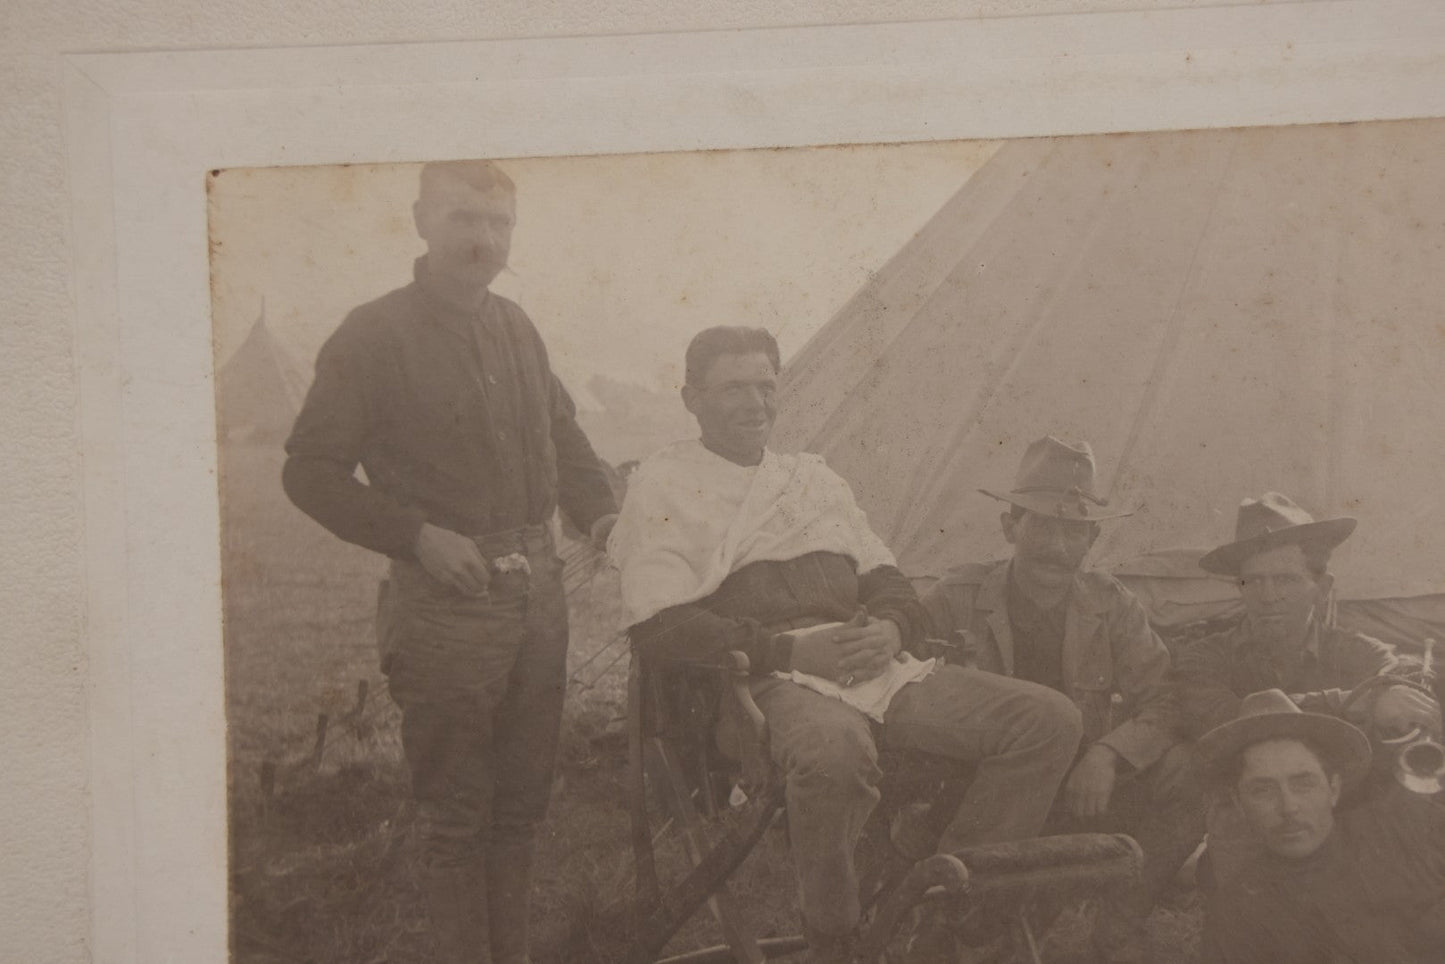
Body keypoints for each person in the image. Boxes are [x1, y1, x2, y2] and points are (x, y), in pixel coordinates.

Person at [607, 326, 1083, 963]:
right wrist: (790, 654)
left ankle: (938, 921)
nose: (755, 403)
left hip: (870, 666)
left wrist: (889, 629)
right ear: (691, 399)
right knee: (834, 754)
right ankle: (834, 944)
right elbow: (657, 628)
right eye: (732, 389)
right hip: (758, 682)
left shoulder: (812, 480)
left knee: (1047, 719)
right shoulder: (665, 484)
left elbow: (890, 583)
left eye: (766, 386)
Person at [283, 159, 618, 964]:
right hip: (445, 597)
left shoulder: (517, 326)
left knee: (521, 805)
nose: (483, 239)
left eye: (499, 224)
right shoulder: (373, 332)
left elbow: (563, 432)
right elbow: (309, 470)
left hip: (537, 594)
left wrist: (601, 511)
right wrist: (417, 537)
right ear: (422, 221)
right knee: (458, 813)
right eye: (465, 219)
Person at [920, 436, 1197, 963]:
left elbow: (1166, 700)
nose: (1057, 547)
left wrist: (1108, 754)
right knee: (971, 936)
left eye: (1074, 531)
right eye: (1042, 525)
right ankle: (957, 923)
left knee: (1185, 767)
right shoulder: (957, 597)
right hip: (980, 794)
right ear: (1010, 527)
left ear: (1092, 538)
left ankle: (1118, 924)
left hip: (1076, 792)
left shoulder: (1111, 605)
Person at [1173, 492, 1439, 884]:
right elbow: (1225, 719)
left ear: (1322, 587)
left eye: (1286, 579)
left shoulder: (1357, 650)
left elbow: (1395, 678)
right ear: (1239, 588)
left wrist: (1399, 696)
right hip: (1245, 819)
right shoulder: (1204, 656)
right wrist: (1359, 703)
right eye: (1254, 581)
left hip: (1343, 815)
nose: (1269, 596)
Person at [1195, 688, 1445, 963]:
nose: (1289, 807)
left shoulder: (1397, 836)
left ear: (1334, 788)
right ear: (1239, 803)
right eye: (1263, 790)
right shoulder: (1234, 916)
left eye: (1303, 783)